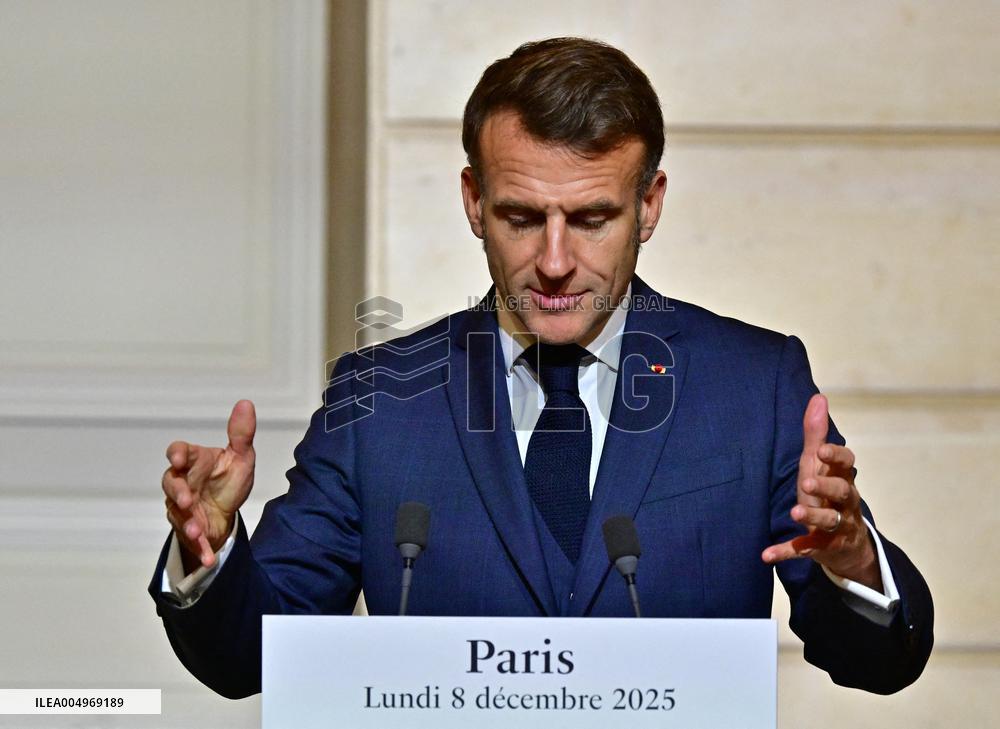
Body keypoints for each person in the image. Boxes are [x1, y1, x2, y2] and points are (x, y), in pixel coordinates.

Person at [150, 37, 933, 699]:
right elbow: (252, 658)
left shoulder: (756, 387)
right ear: (473, 201)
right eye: (522, 217)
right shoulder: (380, 400)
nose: (555, 262)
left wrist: (853, 560)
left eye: (592, 218)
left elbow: (880, 663)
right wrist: (209, 555)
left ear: (650, 205)